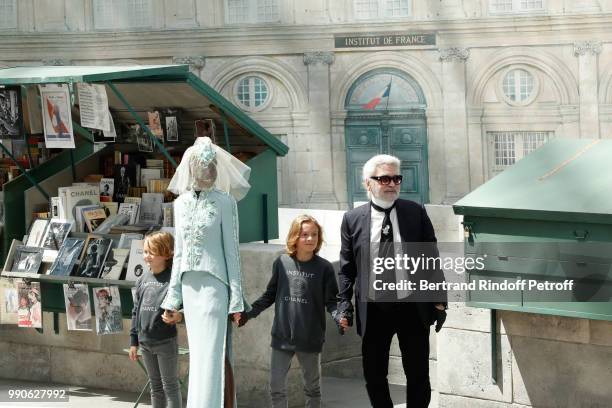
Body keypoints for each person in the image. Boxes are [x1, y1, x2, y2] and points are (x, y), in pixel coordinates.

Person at [337, 154, 447, 408]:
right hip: (374, 309)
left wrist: (439, 302)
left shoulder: (415, 213)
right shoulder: (352, 219)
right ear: (368, 183)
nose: (391, 184)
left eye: (396, 178)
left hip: (412, 307)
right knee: (374, 374)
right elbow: (346, 268)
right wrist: (344, 304)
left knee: (418, 373)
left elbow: (431, 259)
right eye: (384, 178)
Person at [160, 136, 251, 408]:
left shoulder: (225, 202)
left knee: (213, 355)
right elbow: (179, 254)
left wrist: (237, 299)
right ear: (190, 168)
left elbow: (232, 252)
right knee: (199, 356)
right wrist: (171, 298)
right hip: (190, 287)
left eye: (211, 165)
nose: (208, 171)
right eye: (202, 165)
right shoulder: (180, 203)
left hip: (215, 287)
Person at [237, 215, 342, 408]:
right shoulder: (282, 263)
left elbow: (332, 302)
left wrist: (339, 317)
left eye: (314, 235)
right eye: (305, 235)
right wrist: (248, 313)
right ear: (295, 237)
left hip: (310, 338)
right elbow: (269, 296)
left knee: (312, 388)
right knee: (276, 387)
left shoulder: (324, 268)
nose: (310, 239)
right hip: (282, 337)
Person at [130, 231, 182, 408]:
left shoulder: (173, 281)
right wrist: (133, 342)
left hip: (165, 342)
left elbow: (185, 306)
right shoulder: (142, 280)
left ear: (166, 254)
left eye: (151, 252)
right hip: (145, 343)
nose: (147, 256)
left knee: (171, 387)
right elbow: (135, 312)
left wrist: (178, 315)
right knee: (155, 387)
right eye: (145, 252)